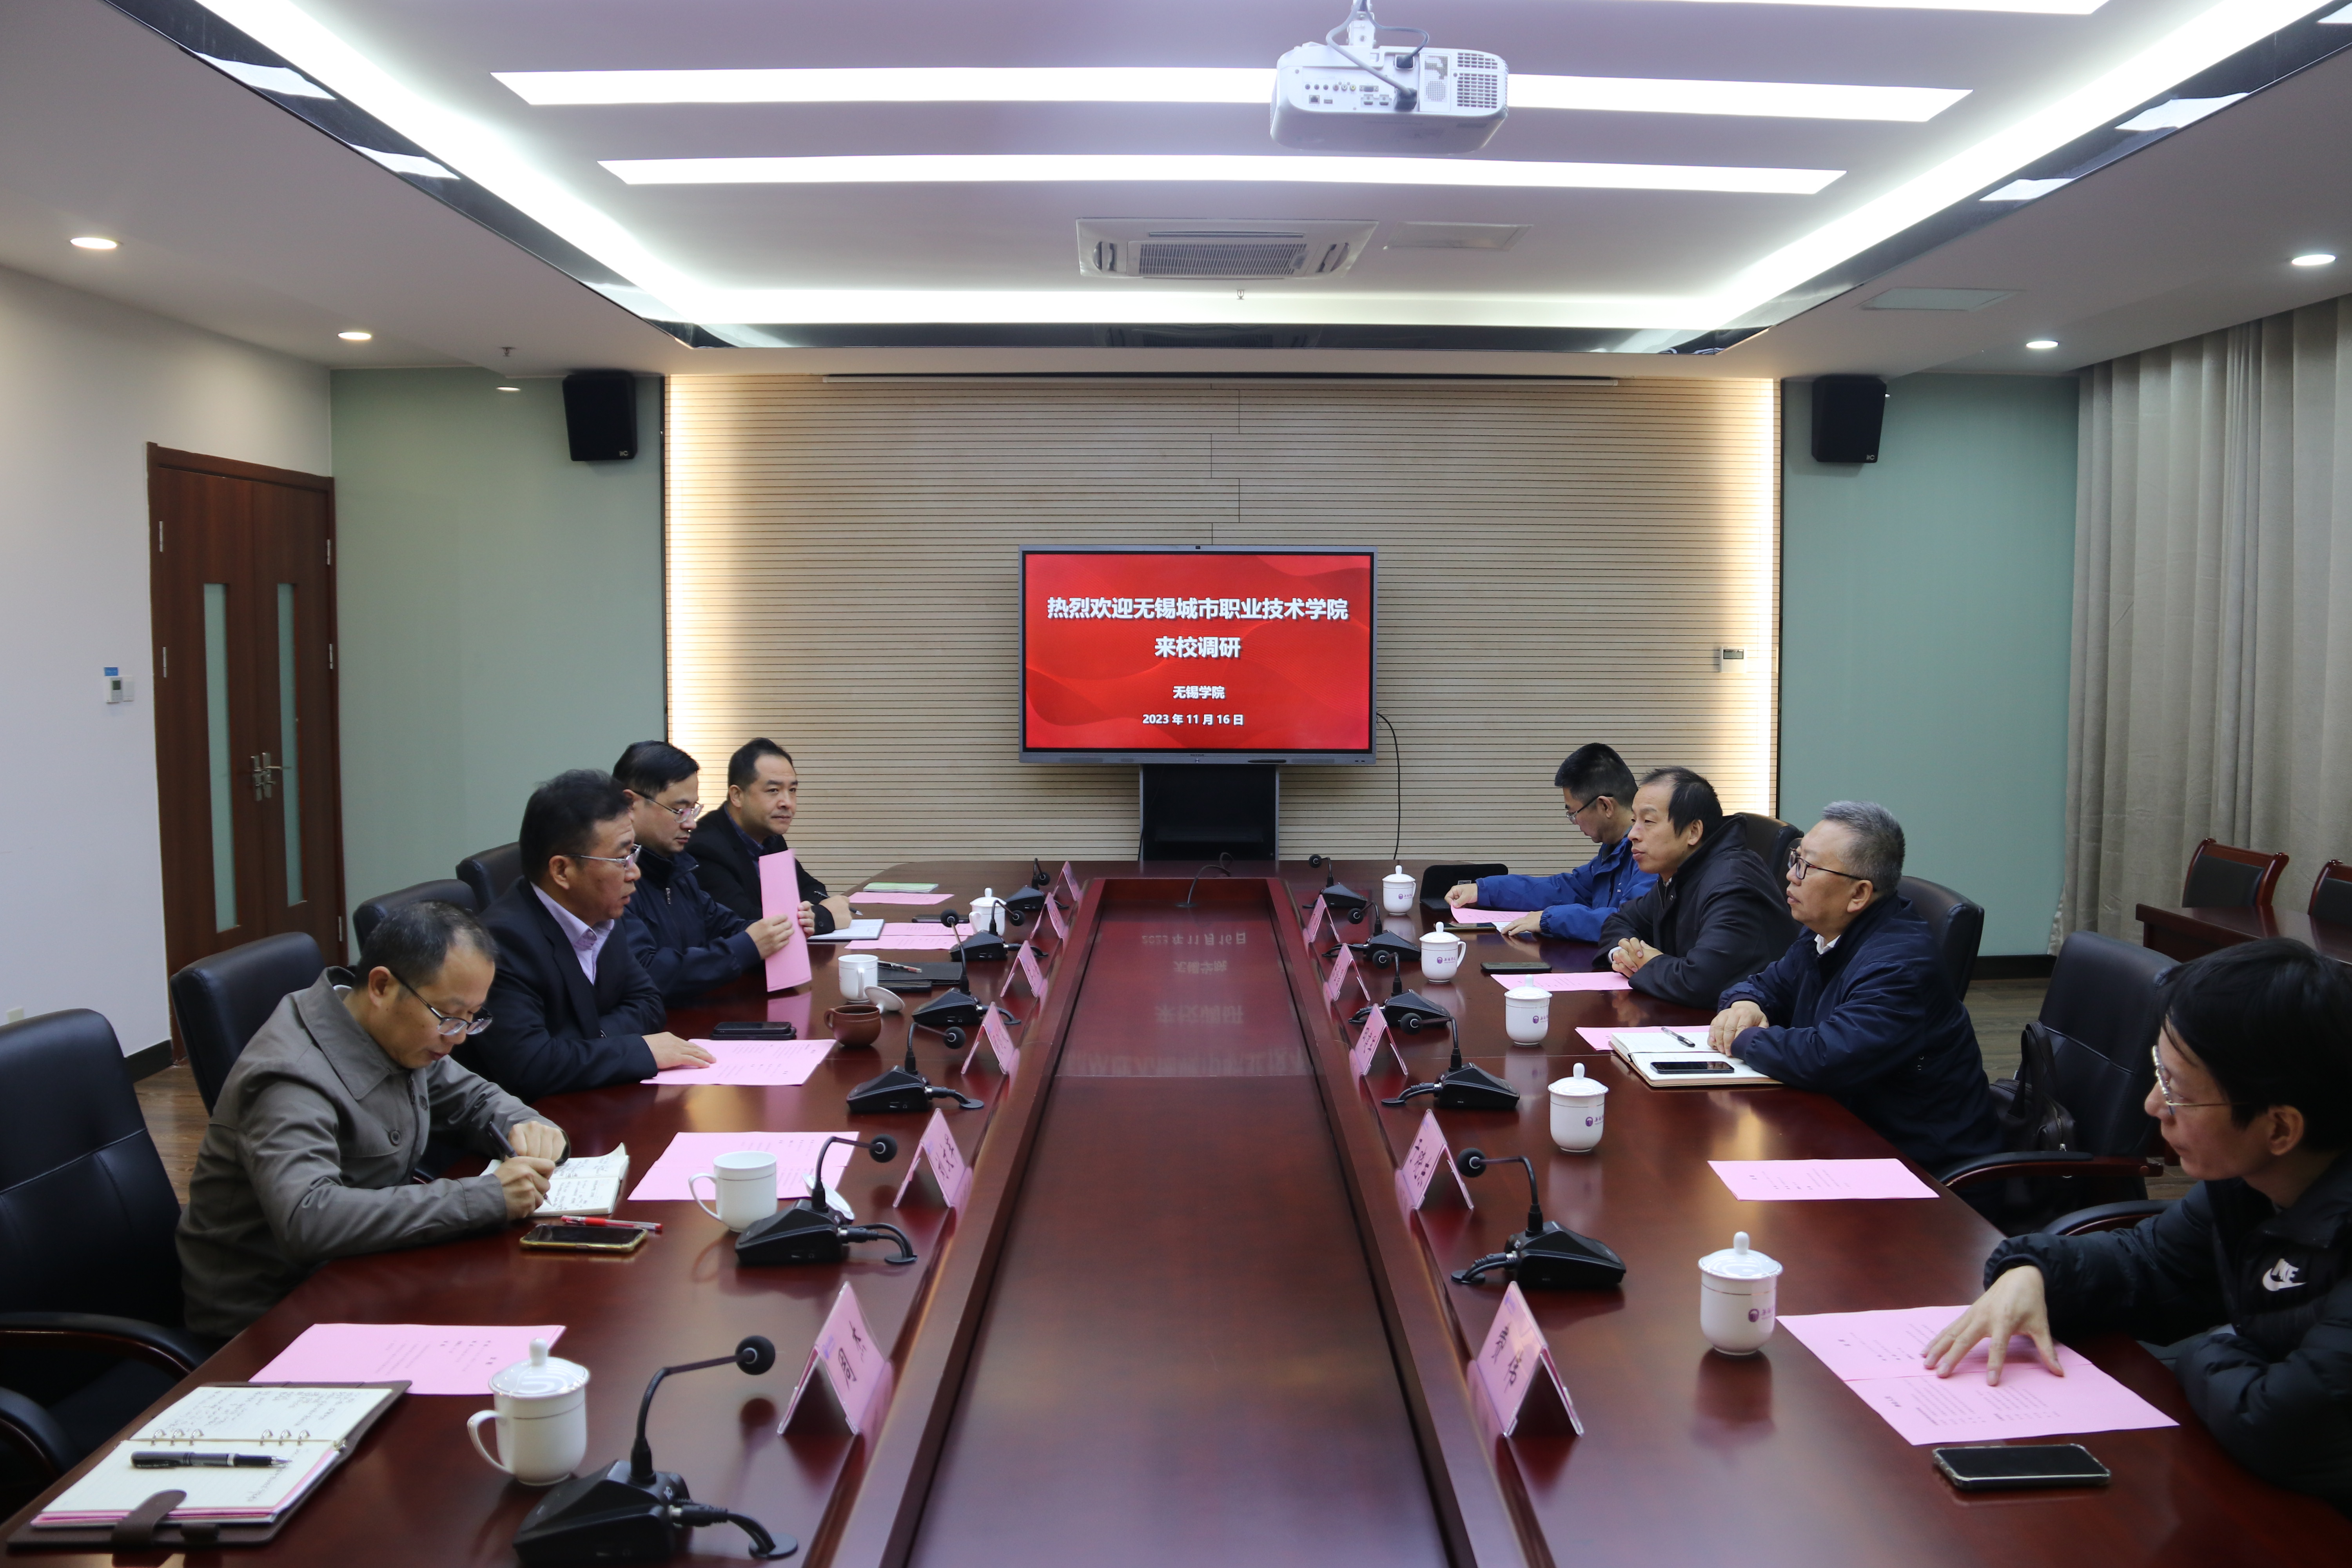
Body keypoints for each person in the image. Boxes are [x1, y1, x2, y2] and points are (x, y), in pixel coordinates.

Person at [1924, 939, 2352, 1516]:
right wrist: (2032, 1271)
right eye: (2159, 1073)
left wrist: (2215, 1344)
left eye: (2178, 1092)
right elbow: (2151, 1264)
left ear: (2279, 1128)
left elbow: (2278, 1426)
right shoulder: (2248, 1182)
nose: (2153, 1105)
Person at [176, 902, 568, 1339]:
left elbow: (475, 1099)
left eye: (472, 1018)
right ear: (382, 986)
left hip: (366, 1270)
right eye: (449, 1017)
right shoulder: (290, 1075)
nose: (458, 1037)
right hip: (273, 1319)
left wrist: (528, 1127)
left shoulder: (394, 1029)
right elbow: (309, 1218)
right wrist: (484, 1197)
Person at [1706, 802, 2000, 1172]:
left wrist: (1742, 1037)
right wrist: (1744, 1005)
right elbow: (1765, 985)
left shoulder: (1899, 967)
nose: (1791, 875)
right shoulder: (1825, 933)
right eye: (1796, 858)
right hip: (1847, 1131)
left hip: (1920, 1169)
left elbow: (1825, 1058)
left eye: (1807, 867)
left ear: (1859, 895)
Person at [460, 769, 713, 1102]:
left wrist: (585, 1042)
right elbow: (529, 1066)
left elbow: (649, 1003)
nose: (635, 872)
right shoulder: (503, 942)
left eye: (633, 853)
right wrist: (635, 1050)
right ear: (562, 871)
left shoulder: (601, 911)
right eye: (621, 858)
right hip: (535, 1120)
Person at [1591, 766, 1795, 1008]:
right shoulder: (1680, 872)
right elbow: (1620, 921)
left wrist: (1647, 964)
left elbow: (1700, 982)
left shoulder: (1733, 885)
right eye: (1635, 821)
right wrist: (1624, 954)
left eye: (1648, 822)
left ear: (1693, 832)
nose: (1632, 835)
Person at [612, 740, 795, 1005]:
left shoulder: (678, 870)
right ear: (630, 804)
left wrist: (781, 930)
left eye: (693, 809)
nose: (691, 823)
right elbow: (647, 972)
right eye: (679, 811)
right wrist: (748, 946)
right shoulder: (613, 878)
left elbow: (726, 925)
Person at [1445, 743, 1656, 940]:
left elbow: (1627, 922)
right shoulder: (1613, 849)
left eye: (1573, 813)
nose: (1574, 822)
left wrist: (1549, 919)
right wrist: (1484, 891)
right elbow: (1562, 889)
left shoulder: (1651, 857)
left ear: (1605, 806)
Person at [686, 739, 851, 933]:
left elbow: (812, 888)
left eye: (792, 790)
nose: (787, 803)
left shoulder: (770, 837)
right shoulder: (706, 848)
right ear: (737, 796)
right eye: (773, 791)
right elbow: (744, 923)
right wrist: (823, 917)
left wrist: (811, 911)